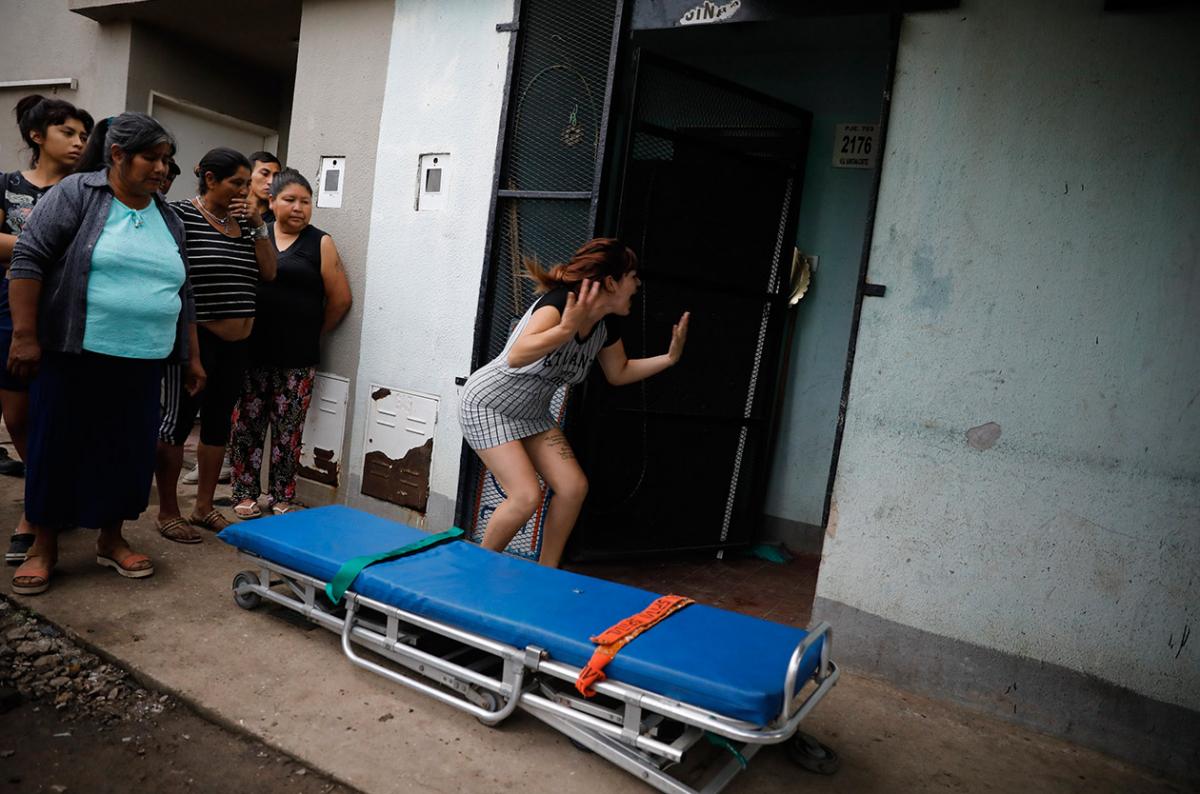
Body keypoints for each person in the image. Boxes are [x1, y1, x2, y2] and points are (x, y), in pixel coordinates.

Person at [7, 112, 203, 594]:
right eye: (152, 158)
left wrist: (192, 357)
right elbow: (29, 258)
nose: (162, 168)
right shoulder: (78, 193)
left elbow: (184, 293)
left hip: (144, 359)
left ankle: (111, 539)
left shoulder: (168, 216)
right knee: (59, 446)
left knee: (127, 451)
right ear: (117, 154)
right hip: (76, 352)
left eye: (166, 159)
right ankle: (43, 547)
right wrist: (25, 335)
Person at [459, 239, 689, 568]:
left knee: (573, 487)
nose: (638, 284)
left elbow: (619, 372)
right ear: (611, 282)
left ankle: (546, 572)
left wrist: (668, 359)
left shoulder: (605, 325)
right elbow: (517, 355)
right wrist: (566, 329)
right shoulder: (557, 304)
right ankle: (475, 572)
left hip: (532, 414)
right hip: (489, 405)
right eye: (632, 276)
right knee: (525, 496)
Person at [154, 148, 276, 543]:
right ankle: (168, 512)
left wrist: (257, 225)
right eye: (237, 183)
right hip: (196, 339)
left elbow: (269, 272)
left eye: (246, 183)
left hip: (238, 345)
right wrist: (190, 352)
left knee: (218, 424)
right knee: (176, 423)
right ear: (209, 179)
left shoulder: (246, 223)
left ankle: (203, 507)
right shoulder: (180, 215)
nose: (244, 191)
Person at [0, 95, 94, 565]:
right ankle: (48, 496)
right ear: (37, 136)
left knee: (51, 415)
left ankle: (35, 514)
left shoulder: (87, 192)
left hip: (65, 313)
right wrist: (43, 246)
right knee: (16, 417)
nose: (78, 142)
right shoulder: (6, 185)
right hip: (8, 309)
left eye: (84, 136)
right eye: (68, 133)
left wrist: (21, 246)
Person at [228, 169, 352, 518]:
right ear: (272, 202)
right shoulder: (256, 234)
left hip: (297, 358)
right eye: (290, 200)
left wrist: (312, 332)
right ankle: (244, 493)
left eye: (306, 202)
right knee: (246, 424)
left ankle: (282, 496)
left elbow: (341, 299)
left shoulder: (320, 242)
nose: (299, 208)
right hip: (250, 351)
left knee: (289, 430)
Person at [247, 151, 281, 224]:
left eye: (276, 176)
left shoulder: (279, 219)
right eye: (265, 174)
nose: (271, 181)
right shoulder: (231, 211)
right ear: (249, 175)